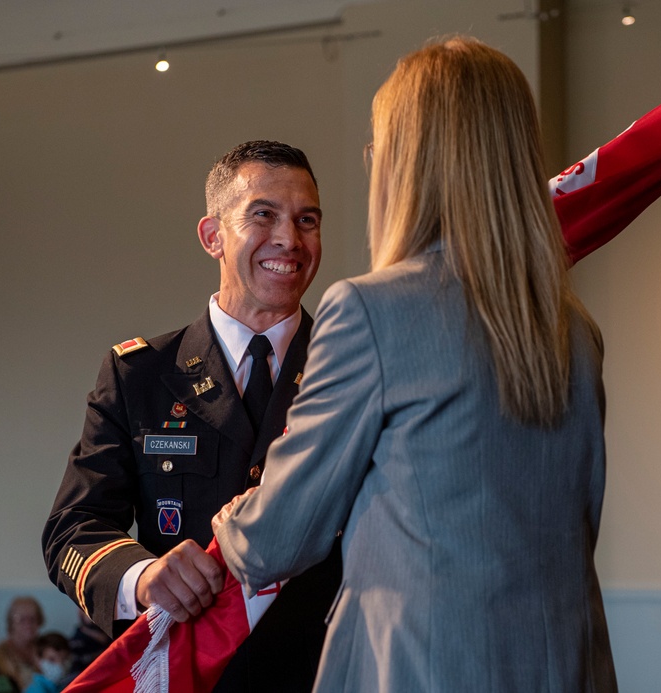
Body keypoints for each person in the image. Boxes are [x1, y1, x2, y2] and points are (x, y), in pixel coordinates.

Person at [214, 37, 618, 692]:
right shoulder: (576, 331)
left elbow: (276, 542)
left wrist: (232, 521)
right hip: (564, 667)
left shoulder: (369, 312)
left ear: (405, 160)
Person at [42, 140, 341, 692]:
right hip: (189, 677)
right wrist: (145, 575)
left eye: (307, 220)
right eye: (263, 215)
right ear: (212, 237)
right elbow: (72, 531)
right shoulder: (140, 374)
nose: (289, 240)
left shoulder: (354, 367)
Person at [0, 597, 43, 692]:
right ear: (11, 623)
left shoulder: (46, 647)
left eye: (32, 619)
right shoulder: (0, 653)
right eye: (21, 619)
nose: (28, 624)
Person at [64, 611, 108, 682]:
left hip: (97, 669)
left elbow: (105, 640)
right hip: (78, 671)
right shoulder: (78, 630)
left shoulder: (102, 630)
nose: (81, 613)